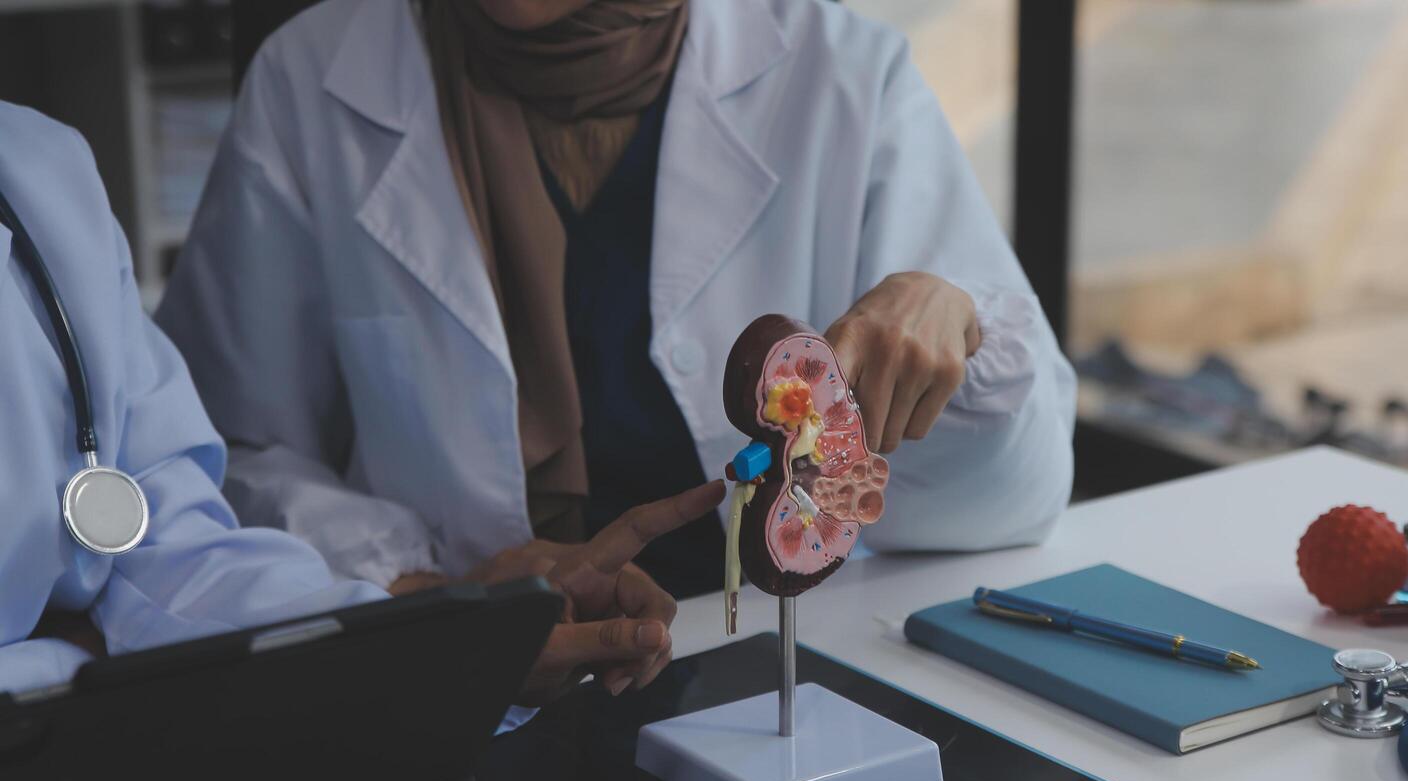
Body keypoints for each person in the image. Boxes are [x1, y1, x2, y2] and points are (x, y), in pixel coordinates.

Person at [157, 0, 1078, 603]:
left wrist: (949, 328)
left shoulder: (843, 71)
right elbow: (220, 453)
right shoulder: (312, 81)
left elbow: (1013, 501)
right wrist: (414, 589)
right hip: (466, 676)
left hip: (783, 651)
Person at [0, 101, 718, 708]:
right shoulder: (315, 84)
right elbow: (238, 454)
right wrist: (79, 654)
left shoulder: (39, 171)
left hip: (685, 648)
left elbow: (174, 551)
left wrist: (459, 642)